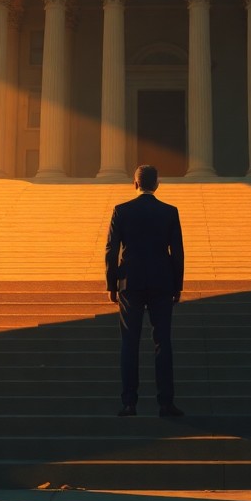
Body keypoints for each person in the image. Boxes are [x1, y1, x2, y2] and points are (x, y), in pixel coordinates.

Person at [104, 164, 185, 417]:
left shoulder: (121, 211)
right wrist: (177, 286)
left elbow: (111, 251)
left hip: (130, 283)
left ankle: (129, 402)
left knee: (130, 343)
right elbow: (178, 253)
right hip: (162, 282)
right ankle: (166, 403)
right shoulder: (169, 212)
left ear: (135, 184)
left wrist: (111, 284)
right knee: (163, 342)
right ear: (157, 184)